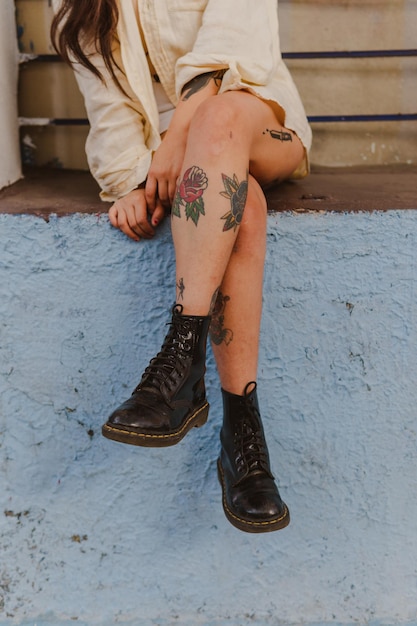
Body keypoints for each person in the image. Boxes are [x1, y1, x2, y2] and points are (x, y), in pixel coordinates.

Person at [51, 0, 312, 533]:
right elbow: (107, 103)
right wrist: (130, 179)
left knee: (218, 120)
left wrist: (177, 143)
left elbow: (232, 46)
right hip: (168, 160)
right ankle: (243, 442)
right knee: (246, 209)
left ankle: (179, 362)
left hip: (254, 116)